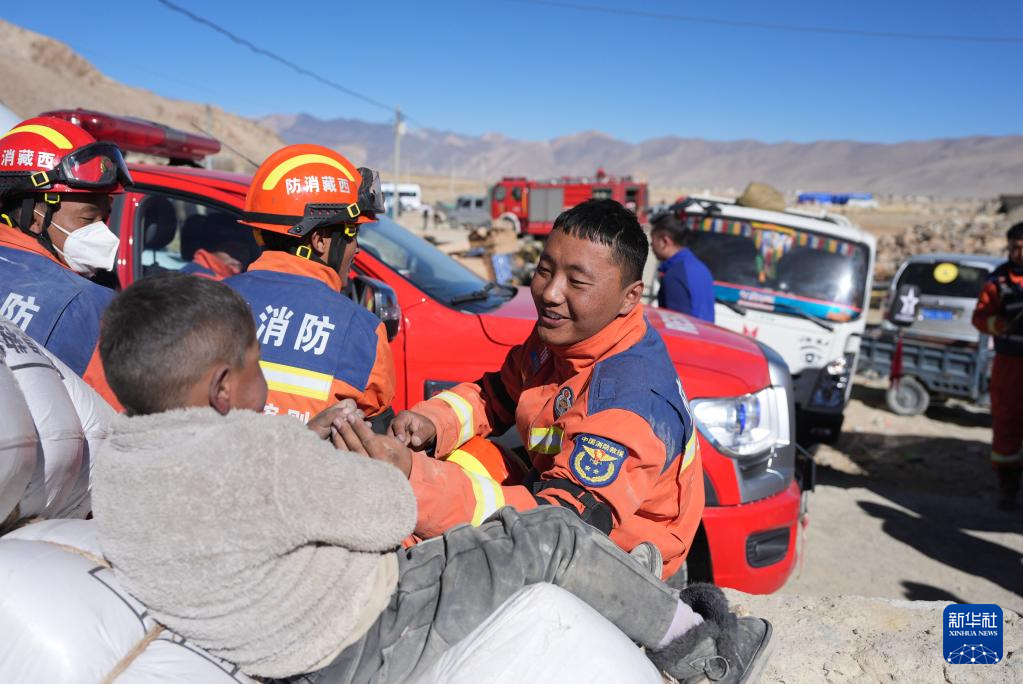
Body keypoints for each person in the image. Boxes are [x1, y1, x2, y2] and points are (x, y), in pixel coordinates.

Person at [91, 272, 772, 683]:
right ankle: (705, 653)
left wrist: (411, 429)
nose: (549, 290)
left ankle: (621, 581)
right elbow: (387, 514)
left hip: (287, 637)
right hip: (359, 639)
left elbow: (490, 395)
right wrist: (372, 461)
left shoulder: (118, 467)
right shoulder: (266, 453)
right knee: (550, 538)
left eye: (571, 277)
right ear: (221, 388)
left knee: (500, 511)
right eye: (254, 365)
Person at [388, 199, 703, 579]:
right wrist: (432, 421)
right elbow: (495, 395)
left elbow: (560, 523)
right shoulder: (565, 336)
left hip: (608, 551)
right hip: (550, 495)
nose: (551, 293)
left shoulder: (629, 401)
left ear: (630, 297)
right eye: (544, 271)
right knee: (467, 460)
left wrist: (419, 483)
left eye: (577, 282)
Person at [224, 144, 395, 425]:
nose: (356, 248)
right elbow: (376, 438)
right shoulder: (362, 332)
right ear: (320, 240)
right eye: (352, 233)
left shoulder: (204, 304)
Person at [0, 116, 131, 405]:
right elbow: (122, 421)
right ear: (34, 216)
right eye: (88, 219)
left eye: (104, 218)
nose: (103, 233)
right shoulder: (91, 307)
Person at [972, 222, 1023, 510]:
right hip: (1010, 364)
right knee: (1007, 424)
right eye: (1015, 248)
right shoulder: (998, 281)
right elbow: (979, 317)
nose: (1020, 254)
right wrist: (998, 324)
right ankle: (1008, 487)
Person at [649, 212, 715, 323]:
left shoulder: (674, 275)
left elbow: (677, 326)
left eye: (653, 241)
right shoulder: (700, 267)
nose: (651, 246)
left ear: (665, 241)